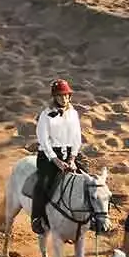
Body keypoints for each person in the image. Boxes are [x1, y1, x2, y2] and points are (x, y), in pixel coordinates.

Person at [31, 80, 85, 235]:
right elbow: (43, 139)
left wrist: (72, 158)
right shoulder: (45, 115)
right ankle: (37, 218)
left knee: (88, 180)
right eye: (60, 96)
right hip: (49, 155)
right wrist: (56, 160)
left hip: (69, 153)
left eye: (66, 95)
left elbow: (77, 137)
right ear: (55, 97)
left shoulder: (73, 113)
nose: (63, 98)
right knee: (44, 183)